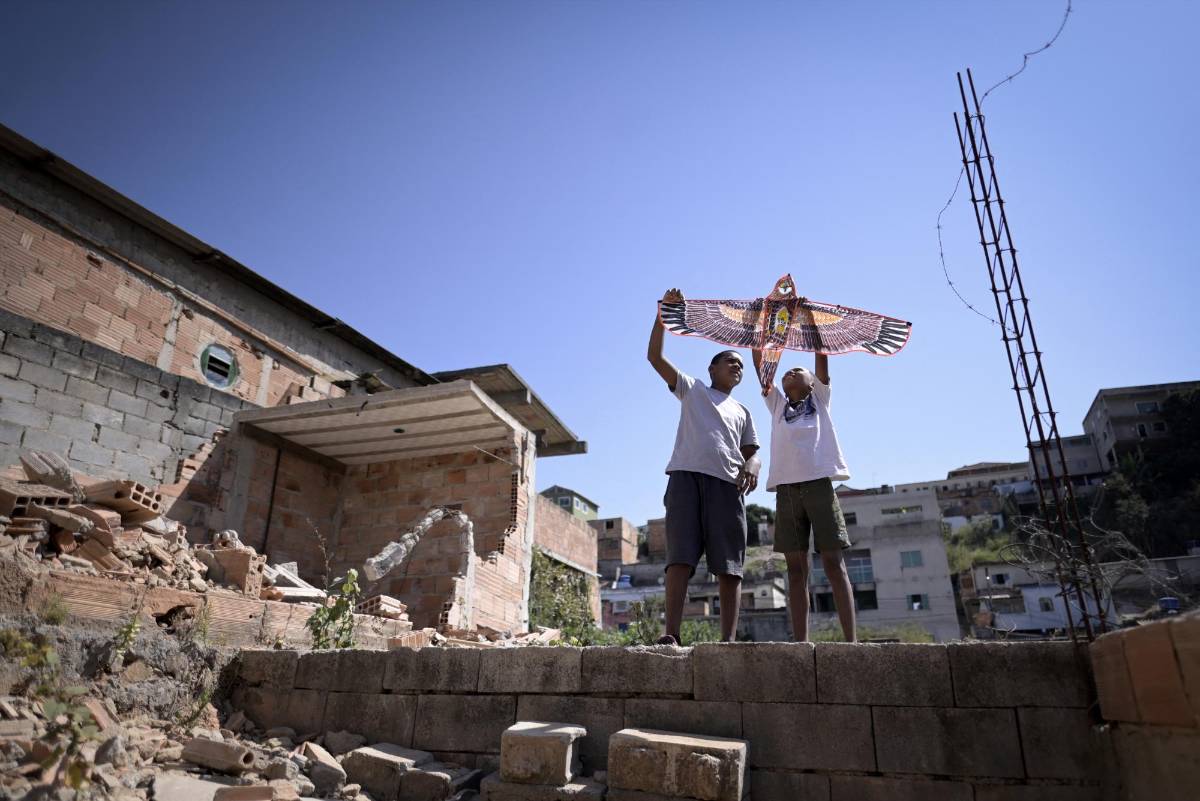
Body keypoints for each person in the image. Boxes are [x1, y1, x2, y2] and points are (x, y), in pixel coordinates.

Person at [648, 288, 761, 645]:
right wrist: (663, 315)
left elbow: (753, 452)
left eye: (741, 365)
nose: (737, 366)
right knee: (680, 557)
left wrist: (753, 465)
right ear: (711, 368)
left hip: (727, 486)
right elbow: (654, 357)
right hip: (685, 478)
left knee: (729, 564)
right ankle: (672, 634)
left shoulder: (743, 411)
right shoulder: (693, 389)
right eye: (730, 361)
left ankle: (727, 640)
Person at [752, 337, 856, 643]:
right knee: (796, 571)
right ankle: (801, 642)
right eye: (786, 372)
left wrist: (813, 329)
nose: (790, 372)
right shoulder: (777, 406)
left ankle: (851, 641)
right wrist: (757, 334)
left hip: (819, 485)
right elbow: (762, 366)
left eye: (798, 370)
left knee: (833, 564)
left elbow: (822, 360)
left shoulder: (820, 400)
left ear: (813, 384)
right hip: (786, 491)